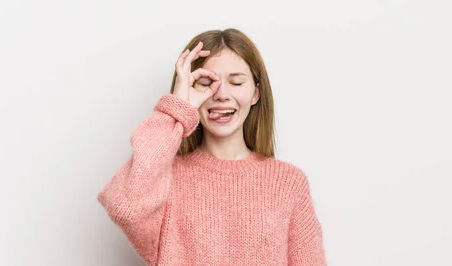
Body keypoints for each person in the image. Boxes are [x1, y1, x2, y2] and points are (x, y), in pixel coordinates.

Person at [97, 28, 326, 265]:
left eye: (236, 82)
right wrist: (176, 109)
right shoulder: (165, 179)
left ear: (256, 93)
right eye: (207, 83)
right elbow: (125, 207)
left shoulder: (288, 183)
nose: (222, 95)